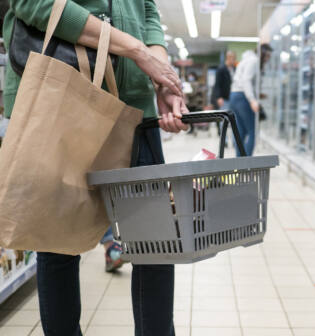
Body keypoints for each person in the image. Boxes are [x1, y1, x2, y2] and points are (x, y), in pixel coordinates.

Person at [3, 1, 188, 335]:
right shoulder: (131, 53)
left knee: (156, 243)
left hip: (134, 106)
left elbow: (146, 12)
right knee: (57, 241)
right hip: (59, 95)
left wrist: (164, 79)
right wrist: (135, 50)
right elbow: (33, 4)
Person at [230, 44, 273, 156]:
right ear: (262, 53)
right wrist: (252, 99)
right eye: (267, 56)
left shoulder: (246, 60)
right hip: (243, 98)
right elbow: (246, 80)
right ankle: (248, 162)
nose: (268, 59)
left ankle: (239, 163)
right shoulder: (254, 61)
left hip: (235, 96)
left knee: (241, 131)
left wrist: (258, 94)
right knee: (253, 130)